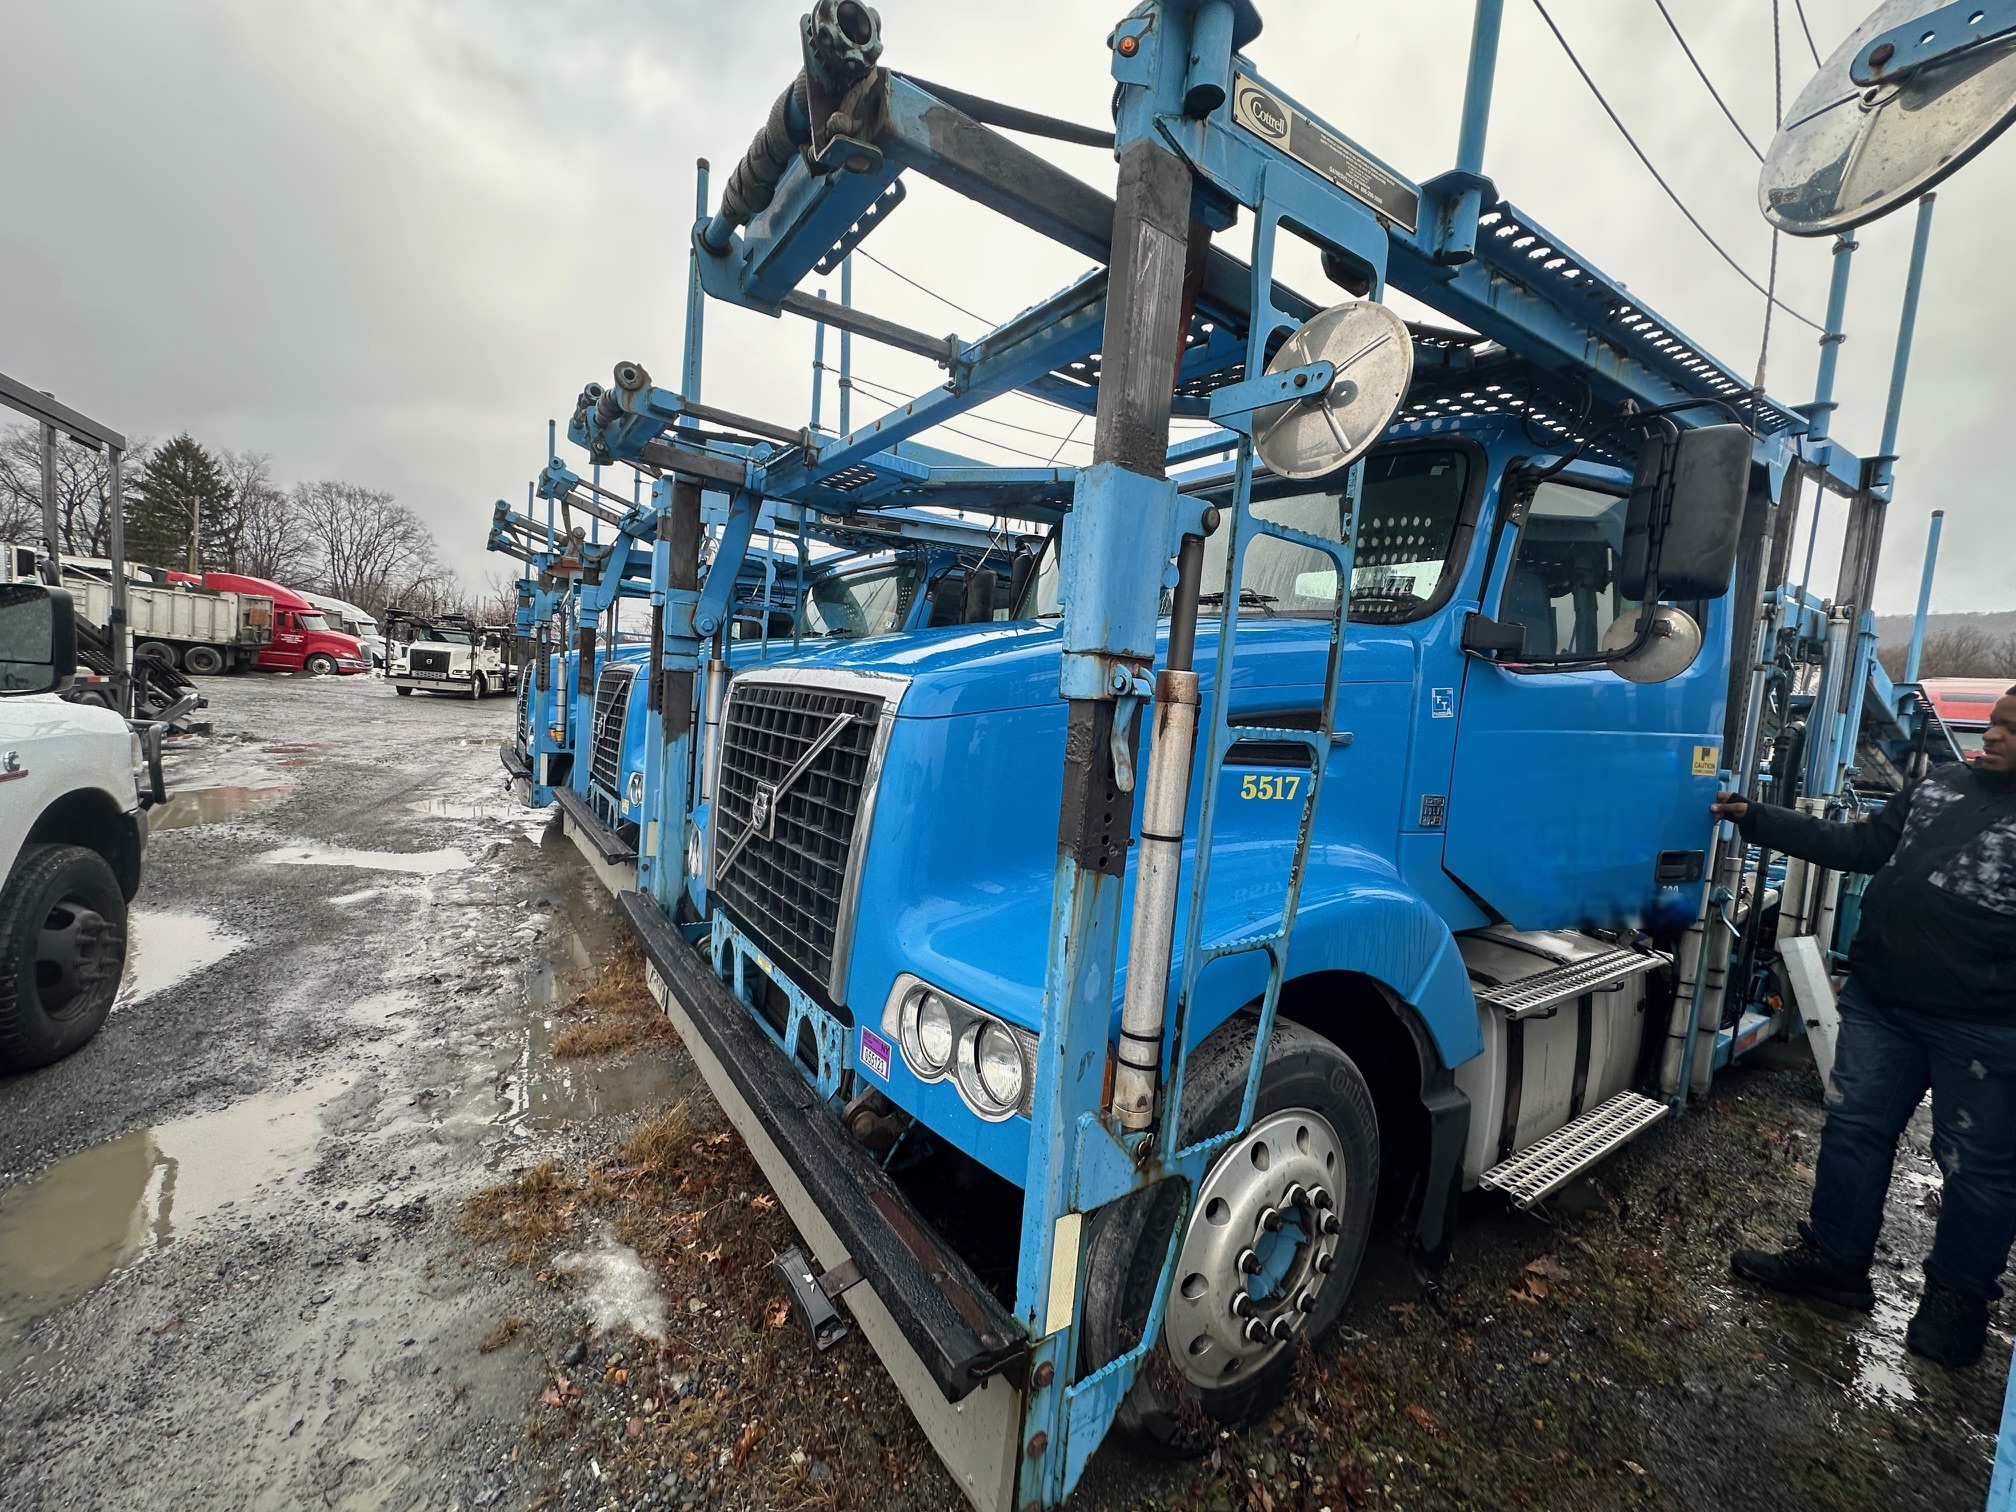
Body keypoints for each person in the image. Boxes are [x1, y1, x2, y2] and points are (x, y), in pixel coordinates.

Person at [1719, 686, 2016, 1368]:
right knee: (1855, 1133)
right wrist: (1756, 819)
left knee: (1976, 1169)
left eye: (2012, 730)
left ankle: (1957, 1301)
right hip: (1883, 1004)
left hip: (1987, 1028)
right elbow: (1856, 845)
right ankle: (1834, 1262)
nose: (1993, 737)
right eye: (1994, 723)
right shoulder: (1939, 785)